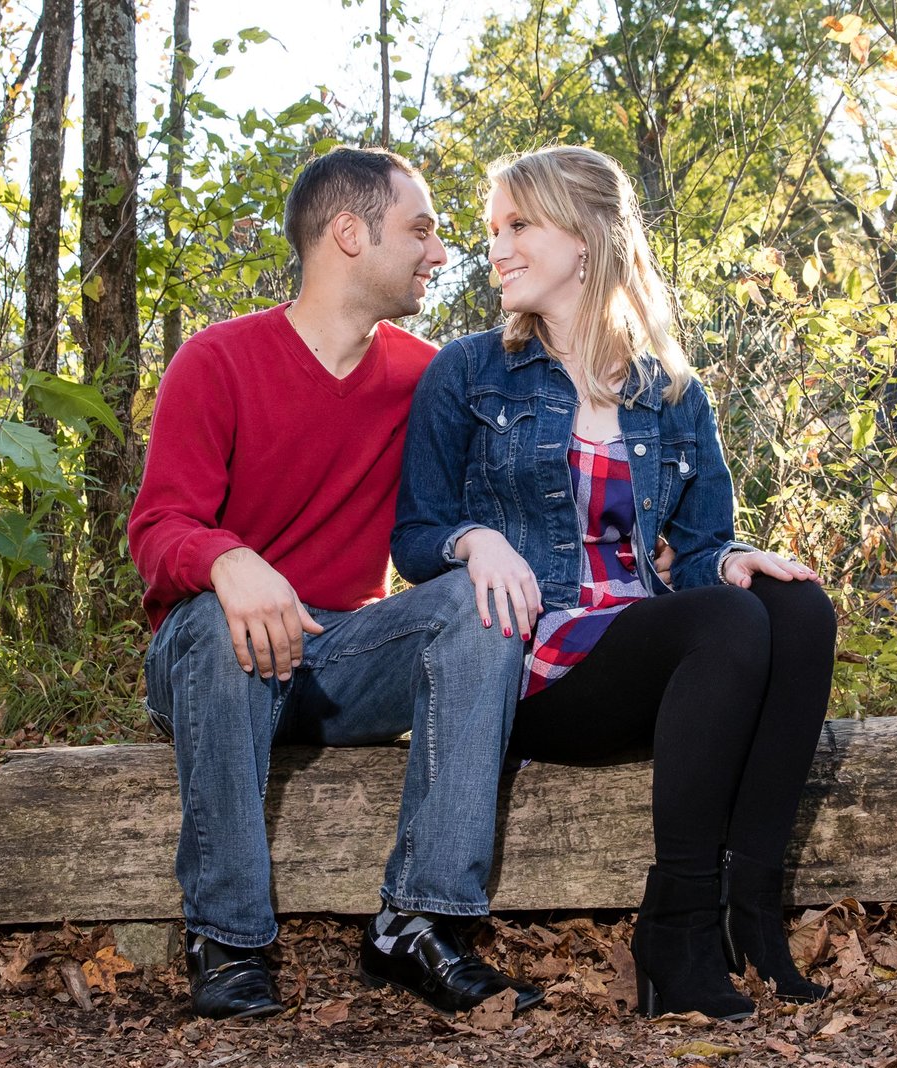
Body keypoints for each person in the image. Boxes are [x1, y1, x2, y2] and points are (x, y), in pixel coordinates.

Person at [392, 145, 837, 1022]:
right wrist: (476, 540)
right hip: (534, 670)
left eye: (519, 224)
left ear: (587, 238)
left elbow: (702, 547)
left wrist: (733, 559)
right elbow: (415, 536)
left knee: (798, 604)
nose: (498, 248)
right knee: (725, 625)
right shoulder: (469, 372)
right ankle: (676, 927)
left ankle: (750, 907)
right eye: (493, 230)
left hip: (639, 651)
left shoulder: (673, 394)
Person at [129, 147, 543, 1021]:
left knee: (481, 606)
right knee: (214, 623)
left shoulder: (425, 376)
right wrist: (228, 561)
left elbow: (463, 515)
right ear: (349, 235)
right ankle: (231, 938)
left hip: (337, 653)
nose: (440, 254)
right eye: (421, 231)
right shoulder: (218, 361)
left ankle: (420, 922)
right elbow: (158, 529)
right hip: (210, 654)